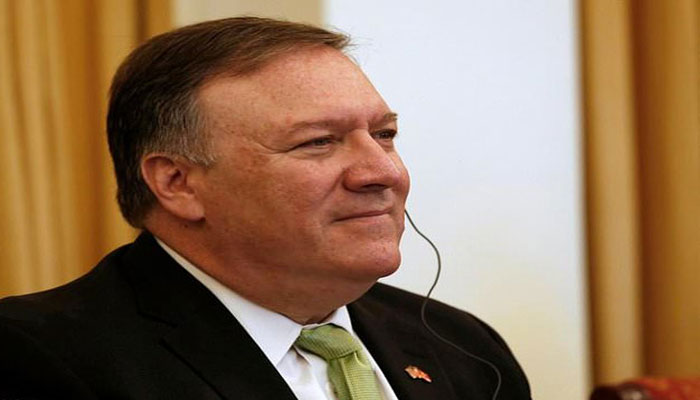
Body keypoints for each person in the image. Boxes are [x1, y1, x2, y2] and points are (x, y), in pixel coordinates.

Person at [0, 17, 531, 399]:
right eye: (318, 142)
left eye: (384, 135)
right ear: (177, 183)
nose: (383, 173)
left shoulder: (460, 344)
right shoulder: (36, 358)